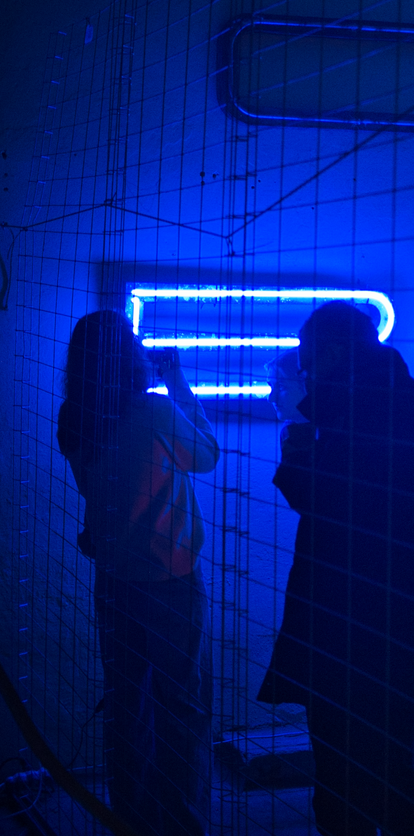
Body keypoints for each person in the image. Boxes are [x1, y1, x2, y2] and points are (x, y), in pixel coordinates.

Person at [259, 302, 414, 836]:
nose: (304, 376)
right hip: (407, 619)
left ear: (331, 353)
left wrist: (296, 431)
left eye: (307, 364)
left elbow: (322, 501)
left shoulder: (354, 415)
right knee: (392, 773)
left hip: (351, 625)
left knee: (346, 778)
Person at [57, 310, 218, 836]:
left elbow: (99, 490)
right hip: (170, 580)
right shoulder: (153, 410)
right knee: (183, 709)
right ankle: (184, 825)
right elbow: (208, 455)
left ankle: (130, 820)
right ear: (127, 354)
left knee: (128, 707)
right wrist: (177, 381)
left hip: (114, 579)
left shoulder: (75, 418)